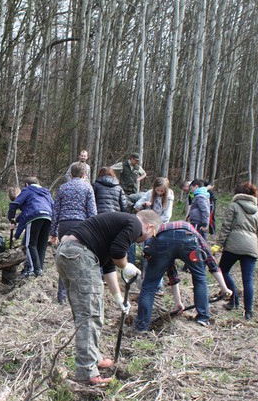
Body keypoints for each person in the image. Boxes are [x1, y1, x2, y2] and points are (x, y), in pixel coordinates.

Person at [55, 210, 162, 385]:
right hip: (80, 255)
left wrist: (118, 297)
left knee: (85, 313)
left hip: (66, 253)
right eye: (152, 234)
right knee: (90, 316)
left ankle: (94, 358)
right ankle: (87, 372)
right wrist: (126, 265)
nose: (147, 238)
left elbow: (109, 266)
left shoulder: (119, 225)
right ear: (150, 226)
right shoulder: (135, 224)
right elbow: (118, 253)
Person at [135, 221, 217, 331]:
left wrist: (178, 302)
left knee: (149, 286)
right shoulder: (192, 230)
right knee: (200, 277)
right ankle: (203, 318)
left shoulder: (157, 235)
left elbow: (170, 269)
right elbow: (209, 257)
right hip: (189, 239)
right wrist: (224, 287)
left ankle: (141, 326)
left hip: (162, 241)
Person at [49, 162, 97, 303]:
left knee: (64, 258)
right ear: (84, 174)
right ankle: (79, 294)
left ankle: (62, 295)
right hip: (81, 225)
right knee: (82, 258)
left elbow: (56, 211)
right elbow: (92, 212)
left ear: (71, 174)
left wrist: (53, 231)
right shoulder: (87, 187)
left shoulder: (63, 188)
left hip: (64, 224)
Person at [216, 182, 258, 320]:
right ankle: (248, 312)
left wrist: (218, 244)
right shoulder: (257, 211)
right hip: (251, 248)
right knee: (248, 280)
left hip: (234, 246)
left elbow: (226, 227)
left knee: (222, 270)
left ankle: (234, 300)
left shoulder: (234, 206)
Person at [7, 176, 53, 277]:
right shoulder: (46, 192)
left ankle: (33, 270)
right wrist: (15, 220)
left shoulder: (27, 190)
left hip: (34, 217)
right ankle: (39, 269)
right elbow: (53, 206)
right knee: (41, 245)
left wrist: (11, 218)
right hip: (49, 217)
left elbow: (14, 204)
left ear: (27, 184)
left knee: (30, 244)